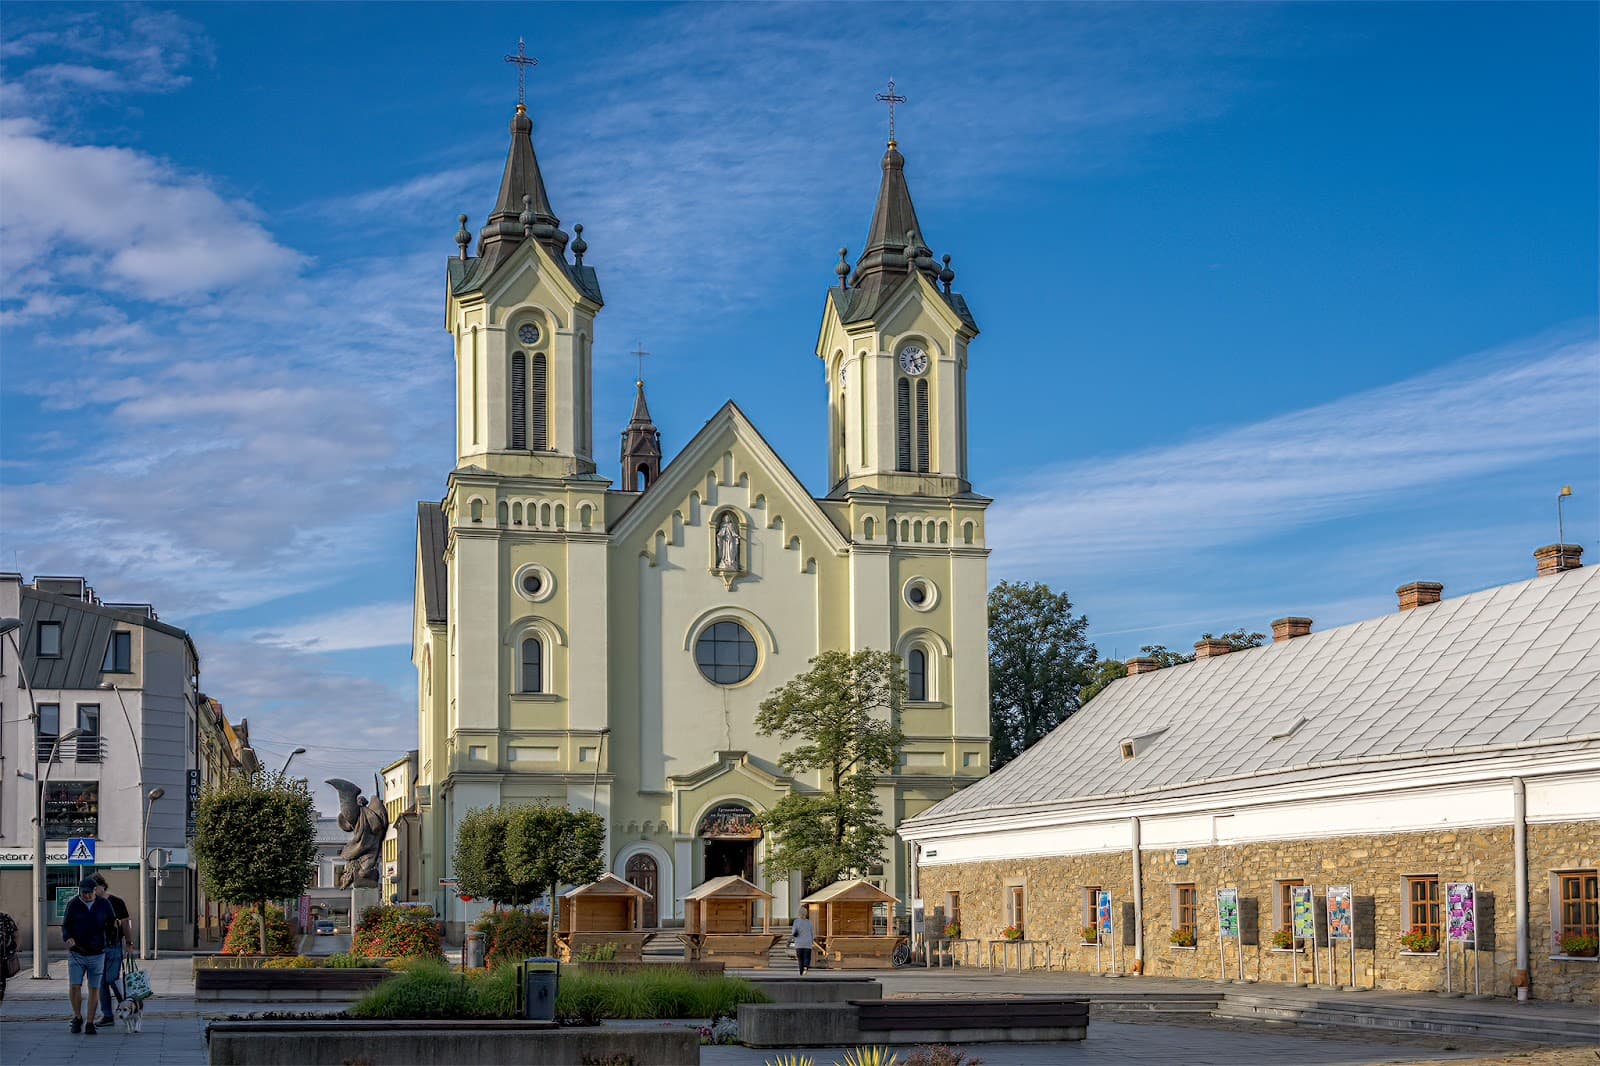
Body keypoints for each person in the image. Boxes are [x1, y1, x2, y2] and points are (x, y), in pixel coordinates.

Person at [61, 876, 115, 1034]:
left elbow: (111, 923)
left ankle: (90, 1022)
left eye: (90, 893)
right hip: (77, 952)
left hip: (97, 952)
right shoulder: (74, 904)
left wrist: (110, 940)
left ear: (95, 891)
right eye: (84, 893)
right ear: (80, 892)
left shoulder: (103, 904)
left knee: (94, 988)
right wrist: (68, 937)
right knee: (75, 985)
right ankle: (77, 1017)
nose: (87, 896)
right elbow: (66, 925)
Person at [91, 873, 132, 1026]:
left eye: (95, 888)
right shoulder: (91, 904)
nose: (93, 891)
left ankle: (127, 1005)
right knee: (101, 982)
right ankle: (107, 1015)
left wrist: (129, 943)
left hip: (114, 945)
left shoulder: (116, 902)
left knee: (111, 978)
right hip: (97, 948)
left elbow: (126, 923)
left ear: (102, 886)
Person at [791, 904, 815, 976]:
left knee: (800, 959)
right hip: (807, 943)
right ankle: (805, 968)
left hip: (799, 943)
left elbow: (793, 932)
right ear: (806, 913)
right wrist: (812, 941)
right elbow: (812, 933)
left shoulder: (796, 922)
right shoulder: (809, 922)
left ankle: (801, 972)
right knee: (807, 957)